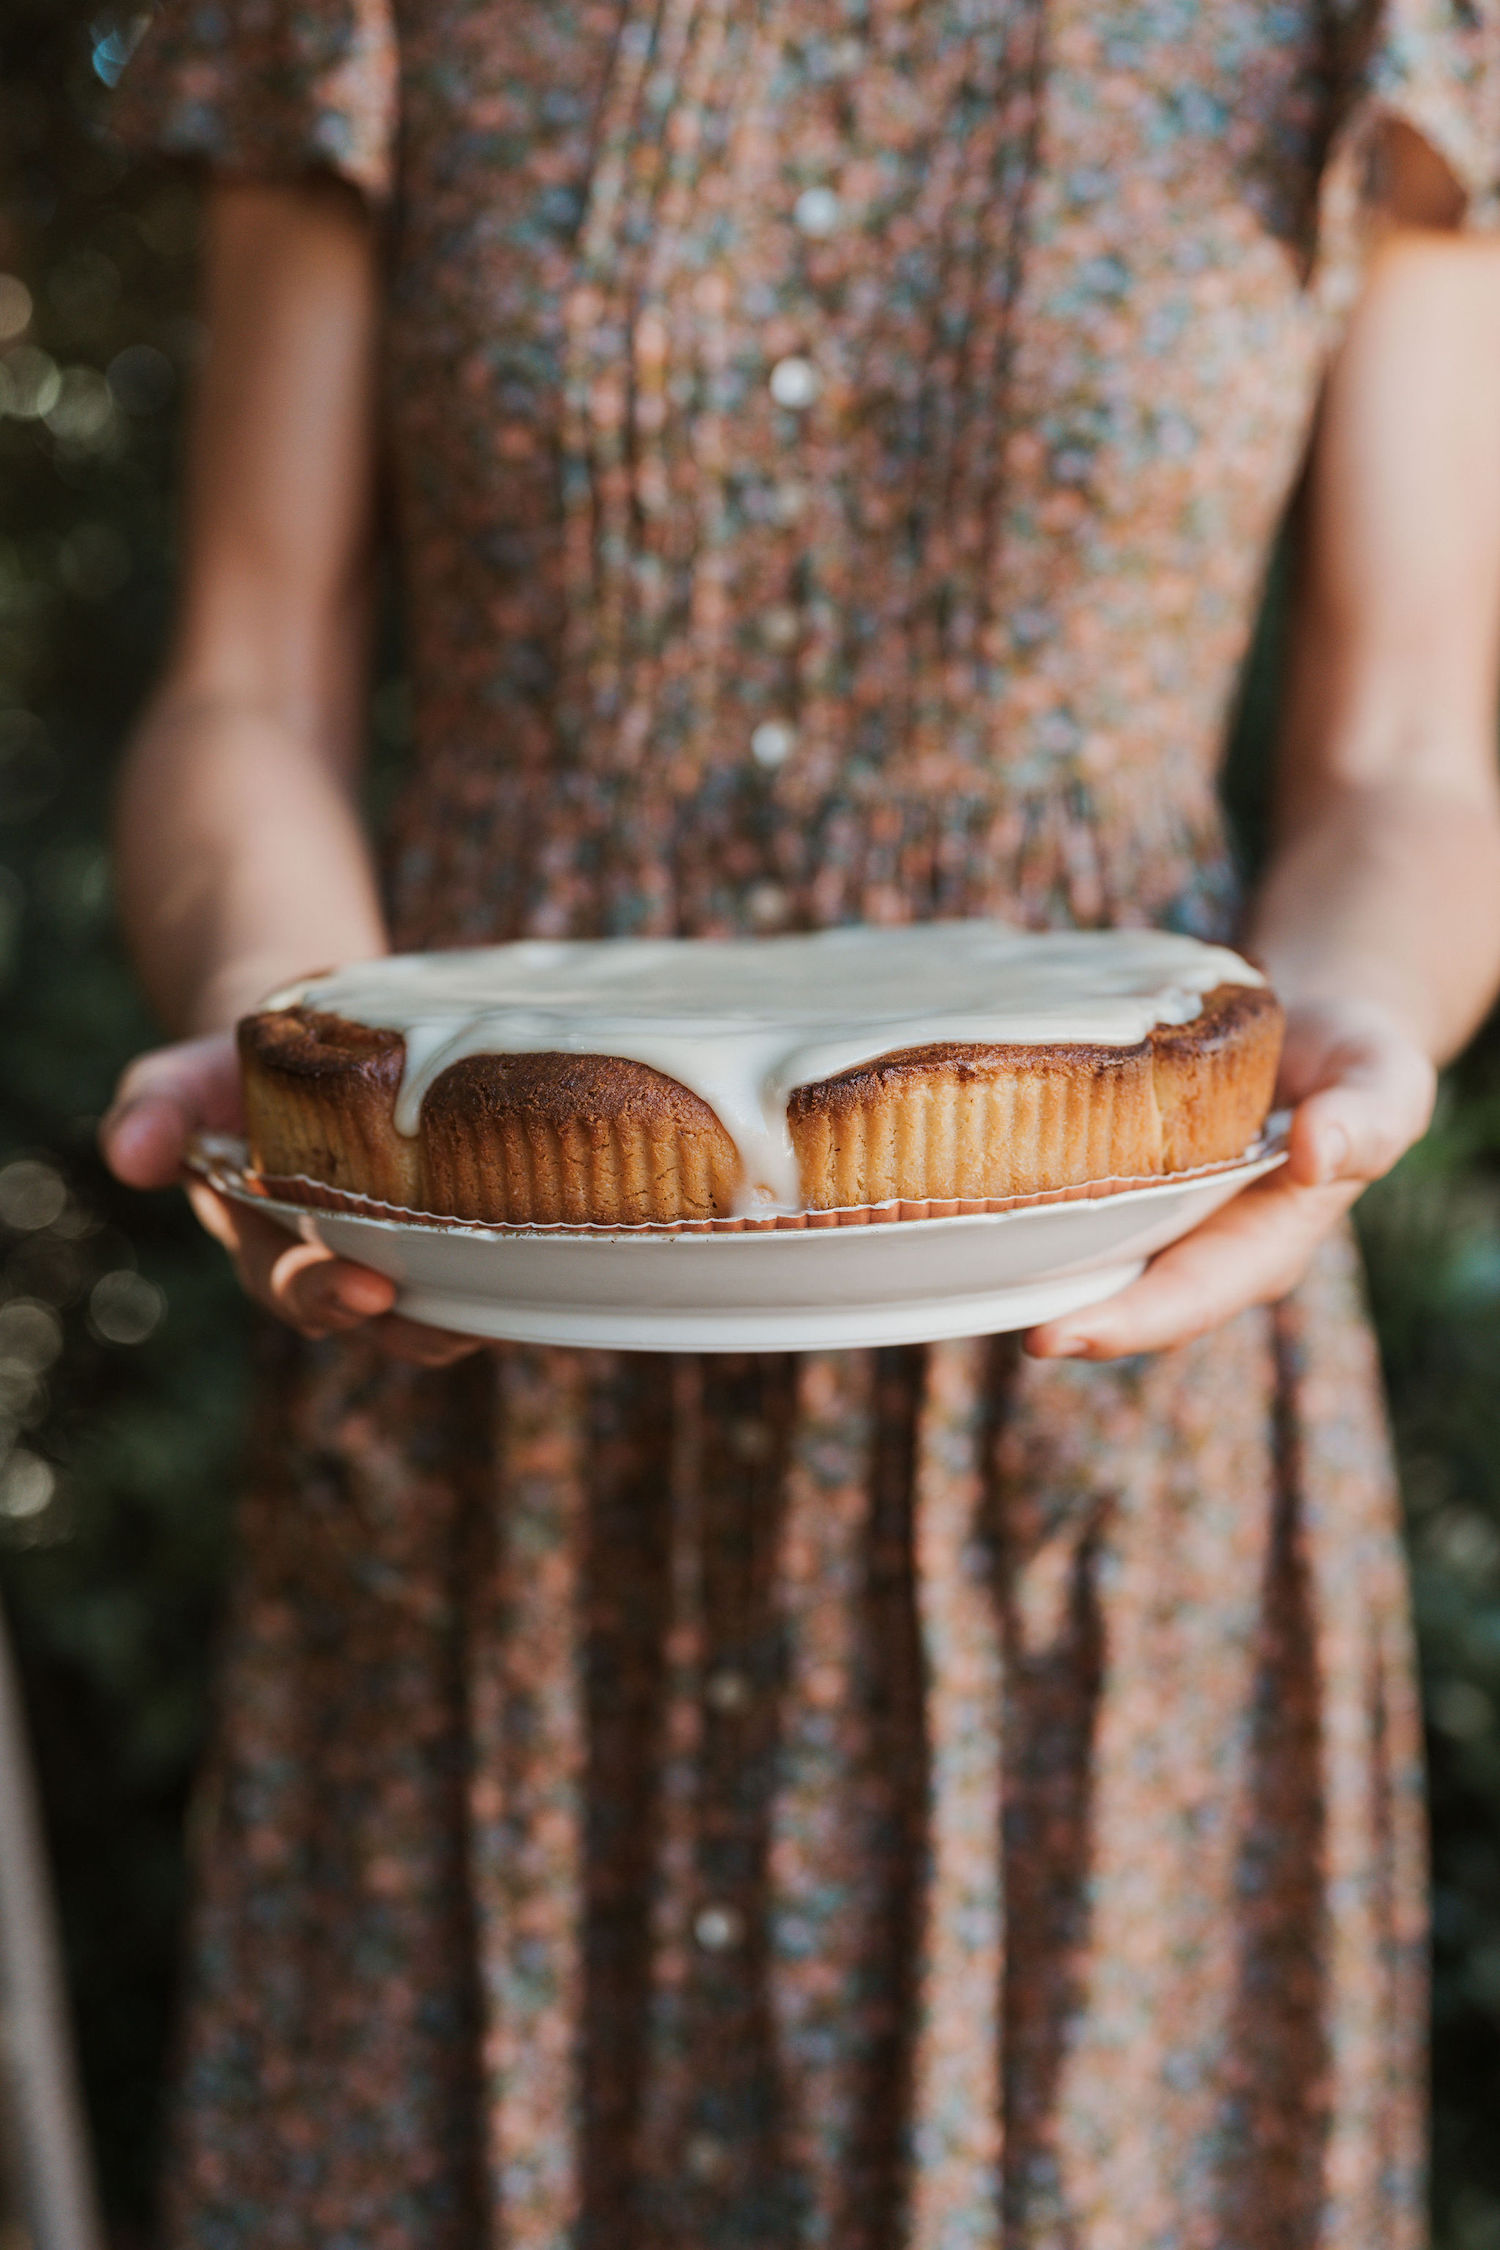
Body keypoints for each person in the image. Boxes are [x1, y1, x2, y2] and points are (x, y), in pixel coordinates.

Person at [101, 1, 1500, 2241]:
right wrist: (287, 1035)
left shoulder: (1372, 30)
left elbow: (1411, 755)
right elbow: (242, 690)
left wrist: (1352, 1024)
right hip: (481, 1311)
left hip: (1106, 1387)